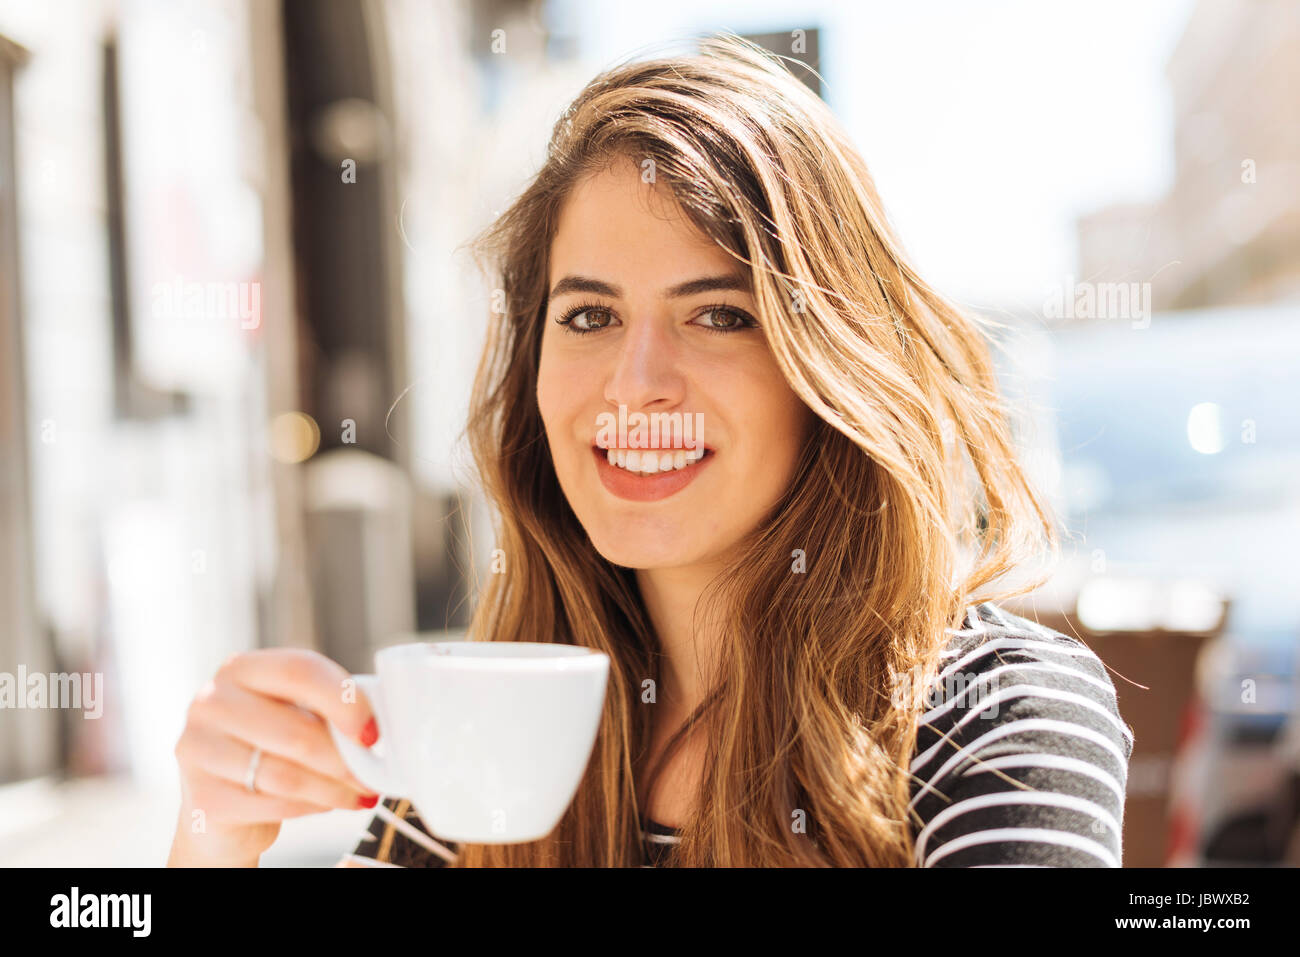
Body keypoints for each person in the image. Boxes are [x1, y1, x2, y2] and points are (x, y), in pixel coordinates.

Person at [168, 33, 1133, 869]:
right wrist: (214, 840)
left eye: (719, 314)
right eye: (588, 314)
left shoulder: (996, 717)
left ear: (833, 364)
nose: (635, 384)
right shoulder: (489, 732)